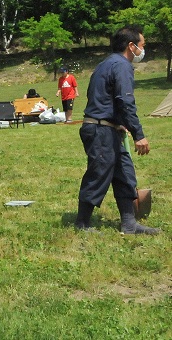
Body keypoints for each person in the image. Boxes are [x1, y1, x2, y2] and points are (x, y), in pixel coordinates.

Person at [74, 26, 159, 235]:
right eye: (142, 46)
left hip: (109, 128)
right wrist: (139, 134)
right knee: (99, 173)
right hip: (100, 131)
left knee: (124, 174)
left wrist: (117, 122)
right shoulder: (121, 65)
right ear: (131, 46)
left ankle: (129, 224)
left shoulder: (105, 65)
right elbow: (125, 100)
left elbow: (102, 96)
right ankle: (82, 223)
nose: (142, 50)